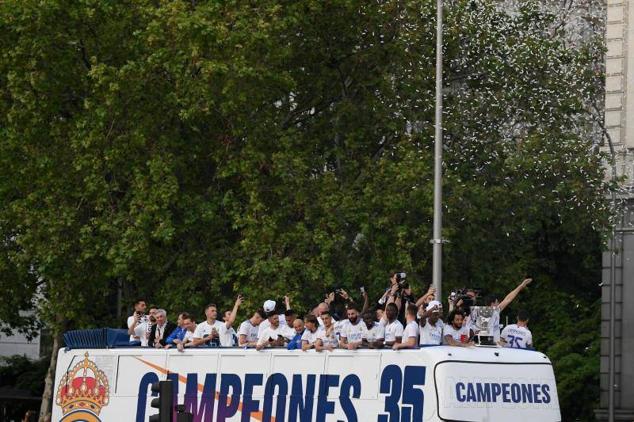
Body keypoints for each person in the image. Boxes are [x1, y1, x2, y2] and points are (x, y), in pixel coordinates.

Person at [477, 278, 533, 343]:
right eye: (497, 302)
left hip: (484, 344)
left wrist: (521, 286)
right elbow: (508, 299)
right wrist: (521, 286)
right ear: (492, 304)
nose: (498, 304)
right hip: (490, 345)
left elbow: (507, 299)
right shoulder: (492, 312)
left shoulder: (481, 312)